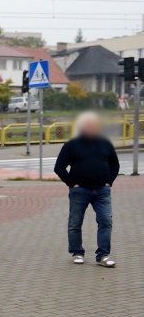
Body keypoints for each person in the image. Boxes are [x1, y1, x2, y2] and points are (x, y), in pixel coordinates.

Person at [53, 111, 119, 267]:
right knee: (75, 222)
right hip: (80, 191)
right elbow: (59, 167)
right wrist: (72, 184)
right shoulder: (71, 145)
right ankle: (77, 252)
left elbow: (114, 164)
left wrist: (109, 182)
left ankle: (103, 255)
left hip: (102, 191)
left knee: (106, 221)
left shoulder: (105, 143)